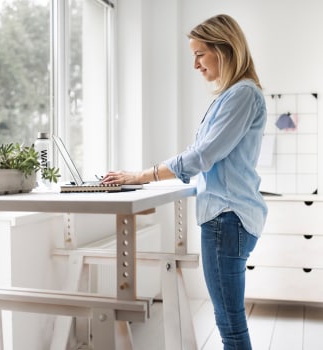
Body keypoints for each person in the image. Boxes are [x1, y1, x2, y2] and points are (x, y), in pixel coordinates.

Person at [102, 14, 267, 350]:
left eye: (199, 54)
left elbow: (202, 156)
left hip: (228, 217)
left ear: (224, 50)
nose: (195, 65)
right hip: (228, 217)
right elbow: (201, 156)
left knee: (230, 326)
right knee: (229, 322)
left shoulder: (242, 95)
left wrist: (142, 175)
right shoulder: (231, 96)